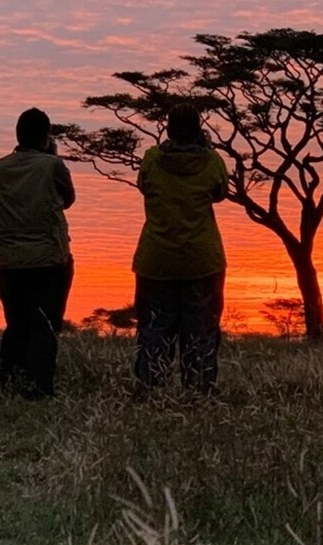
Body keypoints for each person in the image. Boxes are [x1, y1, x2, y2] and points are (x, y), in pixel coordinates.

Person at [132, 103, 228, 396]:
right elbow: (220, 193)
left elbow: (144, 186)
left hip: (156, 258)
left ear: (169, 129)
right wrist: (205, 148)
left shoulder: (151, 159)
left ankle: (151, 389)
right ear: (198, 128)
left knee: (155, 328)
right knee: (200, 331)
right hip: (202, 258)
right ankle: (197, 391)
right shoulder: (212, 161)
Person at [0, 108, 76, 399]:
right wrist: (51, 155)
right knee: (45, 324)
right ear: (45, 135)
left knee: (16, 324)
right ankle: (39, 388)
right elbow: (68, 199)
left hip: (10, 258)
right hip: (49, 258)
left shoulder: (0, 167)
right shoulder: (53, 166)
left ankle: (9, 382)